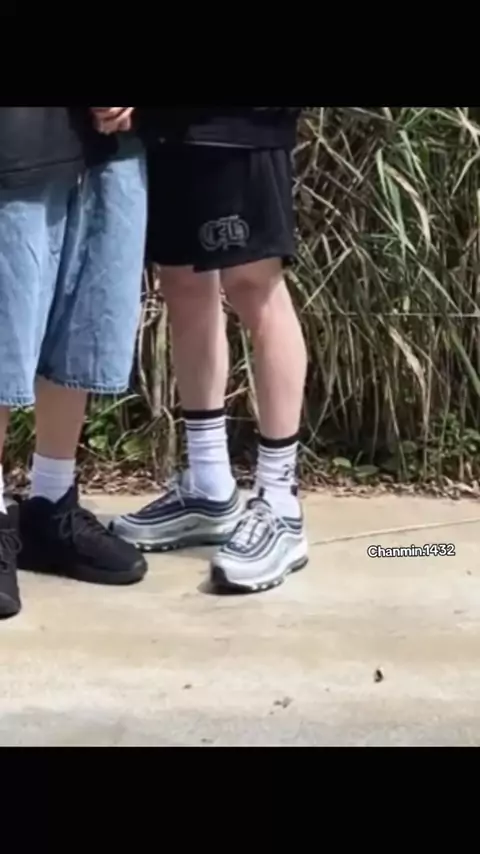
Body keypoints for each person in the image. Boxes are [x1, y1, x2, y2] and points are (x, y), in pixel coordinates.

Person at [112, 107, 308, 594]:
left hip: (242, 126)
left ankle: (280, 502)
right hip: (168, 128)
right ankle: (209, 485)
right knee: (181, 283)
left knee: (254, 286)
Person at [0, 107, 148, 620]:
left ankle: (51, 503)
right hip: (17, 141)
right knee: (6, 326)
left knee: (84, 322)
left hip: (107, 145)